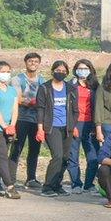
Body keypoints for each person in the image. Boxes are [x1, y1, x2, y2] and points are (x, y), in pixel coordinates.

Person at [36, 60, 78, 197]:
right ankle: (47, 187)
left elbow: (75, 110)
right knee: (58, 156)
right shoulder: (45, 88)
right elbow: (40, 110)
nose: (61, 73)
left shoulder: (70, 88)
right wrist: (40, 128)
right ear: (53, 71)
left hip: (67, 128)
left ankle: (57, 184)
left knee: (65, 158)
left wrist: (74, 125)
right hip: (51, 127)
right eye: (58, 70)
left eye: (64, 71)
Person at [10, 52, 44, 188]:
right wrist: (36, 102)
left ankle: (31, 178)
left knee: (34, 150)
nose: (33, 64)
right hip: (21, 119)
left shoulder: (42, 80)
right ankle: (10, 179)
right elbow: (18, 100)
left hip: (37, 121)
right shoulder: (17, 79)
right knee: (16, 149)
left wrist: (33, 102)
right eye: (30, 61)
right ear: (25, 62)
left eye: (36, 61)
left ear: (39, 64)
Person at [67, 60, 99, 194]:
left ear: (90, 70)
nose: (83, 71)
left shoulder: (95, 86)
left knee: (93, 156)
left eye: (86, 68)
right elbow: (67, 107)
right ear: (75, 70)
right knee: (73, 155)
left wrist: (97, 126)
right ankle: (76, 183)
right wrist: (71, 125)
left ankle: (89, 184)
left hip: (91, 123)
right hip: (76, 123)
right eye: (80, 68)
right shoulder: (70, 85)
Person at [0, 61, 21, 199]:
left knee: (2, 156)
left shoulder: (12, 90)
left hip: (8, 128)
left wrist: (12, 125)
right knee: (2, 157)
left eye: (8, 71)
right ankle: (9, 185)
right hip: (1, 128)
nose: (6, 74)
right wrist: (5, 126)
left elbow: (15, 109)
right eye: (3, 71)